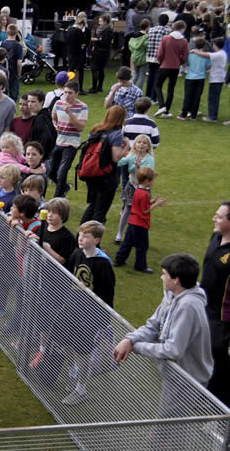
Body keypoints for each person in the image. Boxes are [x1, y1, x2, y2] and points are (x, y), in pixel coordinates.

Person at [113, 253, 214, 411]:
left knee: (170, 428)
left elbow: (173, 350)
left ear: (176, 280)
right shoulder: (171, 295)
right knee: (167, 427)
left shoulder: (189, 306)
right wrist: (130, 340)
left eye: (164, 274)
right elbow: (153, 325)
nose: (161, 277)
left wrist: (136, 347)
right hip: (175, 374)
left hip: (188, 379)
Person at [56, 220, 116, 406]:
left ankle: (81, 389)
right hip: (72, 310)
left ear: (97, 240)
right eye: (80, 234)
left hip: (89, 316)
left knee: (83, 350)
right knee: (67, 343)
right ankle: (73, 372)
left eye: (86, 236)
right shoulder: (76, 254)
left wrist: (99, 319)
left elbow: (106, 294)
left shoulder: (102, 264)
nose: (80, 238)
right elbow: (68, 277)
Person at [79, 106, 129, 225]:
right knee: (100, 212)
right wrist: (127, 146)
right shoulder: (116, 135)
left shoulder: (96, 130)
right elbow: (116, 157)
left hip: (91, 173)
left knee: (92, 206)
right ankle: (93, 240)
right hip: (106, 176)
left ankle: (80, 237)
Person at [201, 202, 230, 405]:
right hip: (205, 307)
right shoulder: (216, 237)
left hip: (223, 316)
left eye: (219, 217)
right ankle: (206, 394)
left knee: (217, 355)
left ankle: (220, 402)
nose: (214, 218)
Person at [113, 166, 165, 273]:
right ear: (146, 181)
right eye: (153, 180)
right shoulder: (145, 193)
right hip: (140, 224)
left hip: (132, 221)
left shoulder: (137, 190)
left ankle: (119, 260)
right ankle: (140, 266)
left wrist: (153, 200)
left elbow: (140, 204)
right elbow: (145, 210)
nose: (154, 182)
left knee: (127, 243)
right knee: (142, 246)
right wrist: (157, 204)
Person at [49, 81, 87, 198]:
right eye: (65, 92)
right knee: (50, 172)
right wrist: (55, 124)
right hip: (59, 141)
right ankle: (65, 187)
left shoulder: (82, 107)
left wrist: (70, 113)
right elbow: (53, 117)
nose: (67, 95)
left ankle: (57, 200)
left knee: (62, 173)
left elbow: (80, 127)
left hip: (72, 144)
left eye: (70, 93)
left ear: (76, 93)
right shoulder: (59, 103)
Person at [153, 20, 189, 118]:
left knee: (158, 85)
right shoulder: (184, 41)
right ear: (182, 28)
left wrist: (161, 61)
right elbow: (185, 56)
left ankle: (161, 105)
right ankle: (166, 110)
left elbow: (159, 54)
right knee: (171, 89)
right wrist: (179, 62)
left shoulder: (166, 38)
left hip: (164, 66)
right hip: (175, 67)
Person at [178, 38, 211, 120]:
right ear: (204, 46)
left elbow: (186, 64)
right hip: (201, 77)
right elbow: (208, 66)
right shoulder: (205, 56)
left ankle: (184, 114)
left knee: (188, 96)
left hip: (190, 77)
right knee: (197, 97)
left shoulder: (190, 54)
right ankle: (193, 115)